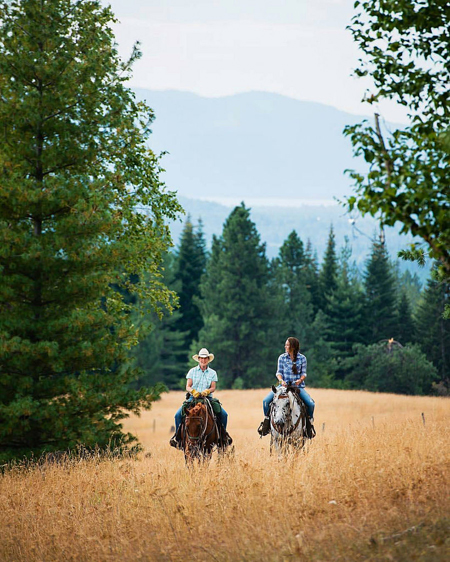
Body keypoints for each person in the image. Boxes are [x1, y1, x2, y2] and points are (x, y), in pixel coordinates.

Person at [170, 348, 229, 448]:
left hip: (208, 399)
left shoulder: (212, 373)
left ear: (208, 359)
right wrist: (193, 391)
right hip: (193, 398)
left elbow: (213, 387)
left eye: (205, 358)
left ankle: (223, 437)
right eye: (201, 358)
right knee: (177, 415)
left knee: (223, 414)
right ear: (199, 359)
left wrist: (208, 391)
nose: (203, 360)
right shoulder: (192, 371)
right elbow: (188, 386)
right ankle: (177, 438)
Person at [258, 337, 315, 437]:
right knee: (265, 401)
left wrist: (300, 380)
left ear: (293, 347)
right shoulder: (282, 358)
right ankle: (267, 423)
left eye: (287, 345)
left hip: (297, 387)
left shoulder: (302, 358)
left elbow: (304, 373)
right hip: (282, 387)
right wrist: (281, 381)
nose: (285, 346)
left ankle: (309, 425)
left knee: (311, 404)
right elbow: (278, 373)